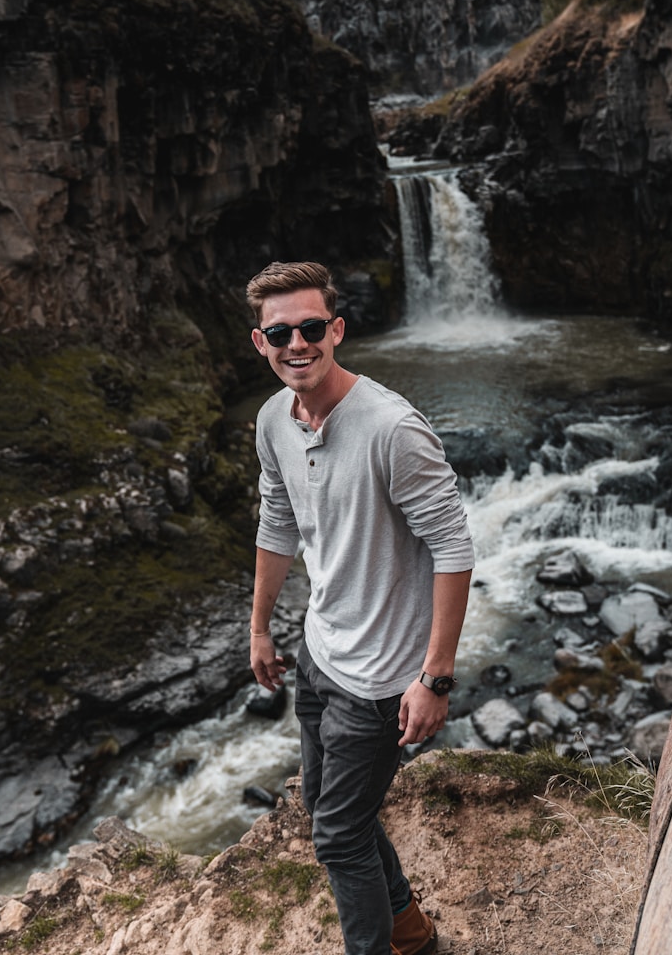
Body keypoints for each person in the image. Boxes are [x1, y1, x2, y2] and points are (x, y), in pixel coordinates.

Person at [246, 260, 474, 955]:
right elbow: (278, 521)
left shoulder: (392, 429)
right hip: (318, 652)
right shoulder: (273, 420)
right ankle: (407, 924)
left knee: (339, 836)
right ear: (261, 342)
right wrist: (259, 627)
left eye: (312, 327)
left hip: (380, 681)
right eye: (280, 332)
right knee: (324, 804)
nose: (297, 344)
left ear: (336, 330)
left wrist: (434, 677)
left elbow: (454, 548)